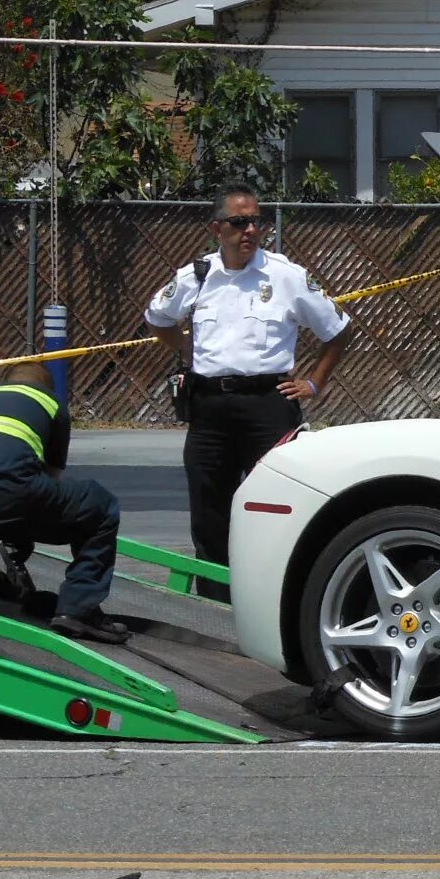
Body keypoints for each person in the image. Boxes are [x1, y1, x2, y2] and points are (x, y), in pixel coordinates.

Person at [146, 181, 355, 601]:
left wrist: (314, 382)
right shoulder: (196, 276)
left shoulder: (285, 276)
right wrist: (184, 346)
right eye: (239, 222)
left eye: (256, 221)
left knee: (274, 506)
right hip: (209, 408)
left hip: (268, 406)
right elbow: (156, 316)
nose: (250, 231)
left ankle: (274, 598)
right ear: (216, 228)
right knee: (209, 509)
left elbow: (338, 330)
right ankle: (214, 601)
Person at [0, 361, 126, 643]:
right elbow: (52, 478)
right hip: (12, 496)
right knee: (100, 507)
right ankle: (79, 609)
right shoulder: (49, 402)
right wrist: (23, 534)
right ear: (47, 386)